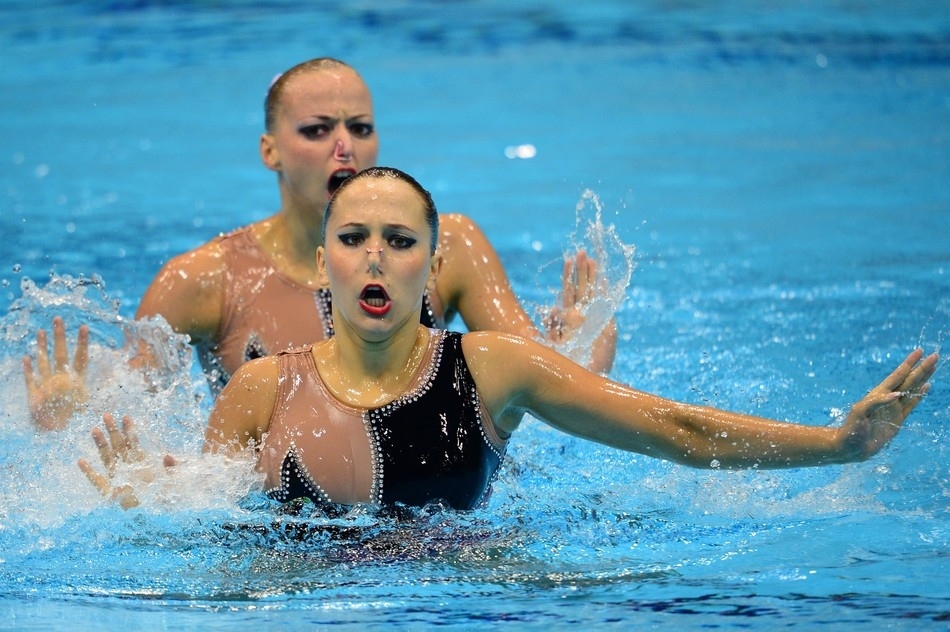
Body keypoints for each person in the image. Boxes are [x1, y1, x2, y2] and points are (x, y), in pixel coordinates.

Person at [78, 167, 937, 512]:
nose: (375, 257)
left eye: (401, 241)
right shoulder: (259, 391)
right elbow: (210, 543)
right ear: (323, 263)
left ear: (431, 266)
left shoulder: (492, 372)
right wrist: (143, 509)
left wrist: (838, 445)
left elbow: (673, 431)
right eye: (353, 239)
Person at [23, 57, 617, 431]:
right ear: (270, 150)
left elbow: (537, 382)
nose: (345, 147)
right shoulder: (204, 281)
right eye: (317, 130)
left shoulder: (448, 247)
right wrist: (64, 421)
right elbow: (137, 436)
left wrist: (583, 352)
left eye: (360, 127)